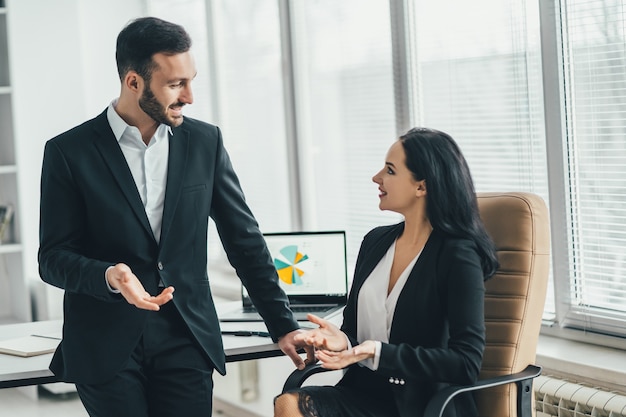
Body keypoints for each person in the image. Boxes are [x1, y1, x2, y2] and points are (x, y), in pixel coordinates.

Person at [38, 16, 313, 417]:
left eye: (191, 80)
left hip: (185, 335)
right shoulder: (69, 152)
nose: (189, 96)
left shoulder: (205, 142)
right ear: (133, 82)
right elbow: (53, 258)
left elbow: (243, 238)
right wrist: (108, 276)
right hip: (105, 341)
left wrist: (282, 322)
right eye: (175, 84)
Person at [274, 127, 499, 417]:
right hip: (363, 393)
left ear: (422, 186)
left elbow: (465, 363)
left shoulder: (457, 255)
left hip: (424, 405)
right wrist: (341, 341)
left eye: (390, 171)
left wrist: (376, 352)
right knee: (289, 403)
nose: (376, 177)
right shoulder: (375, 242)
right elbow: (355, 334)